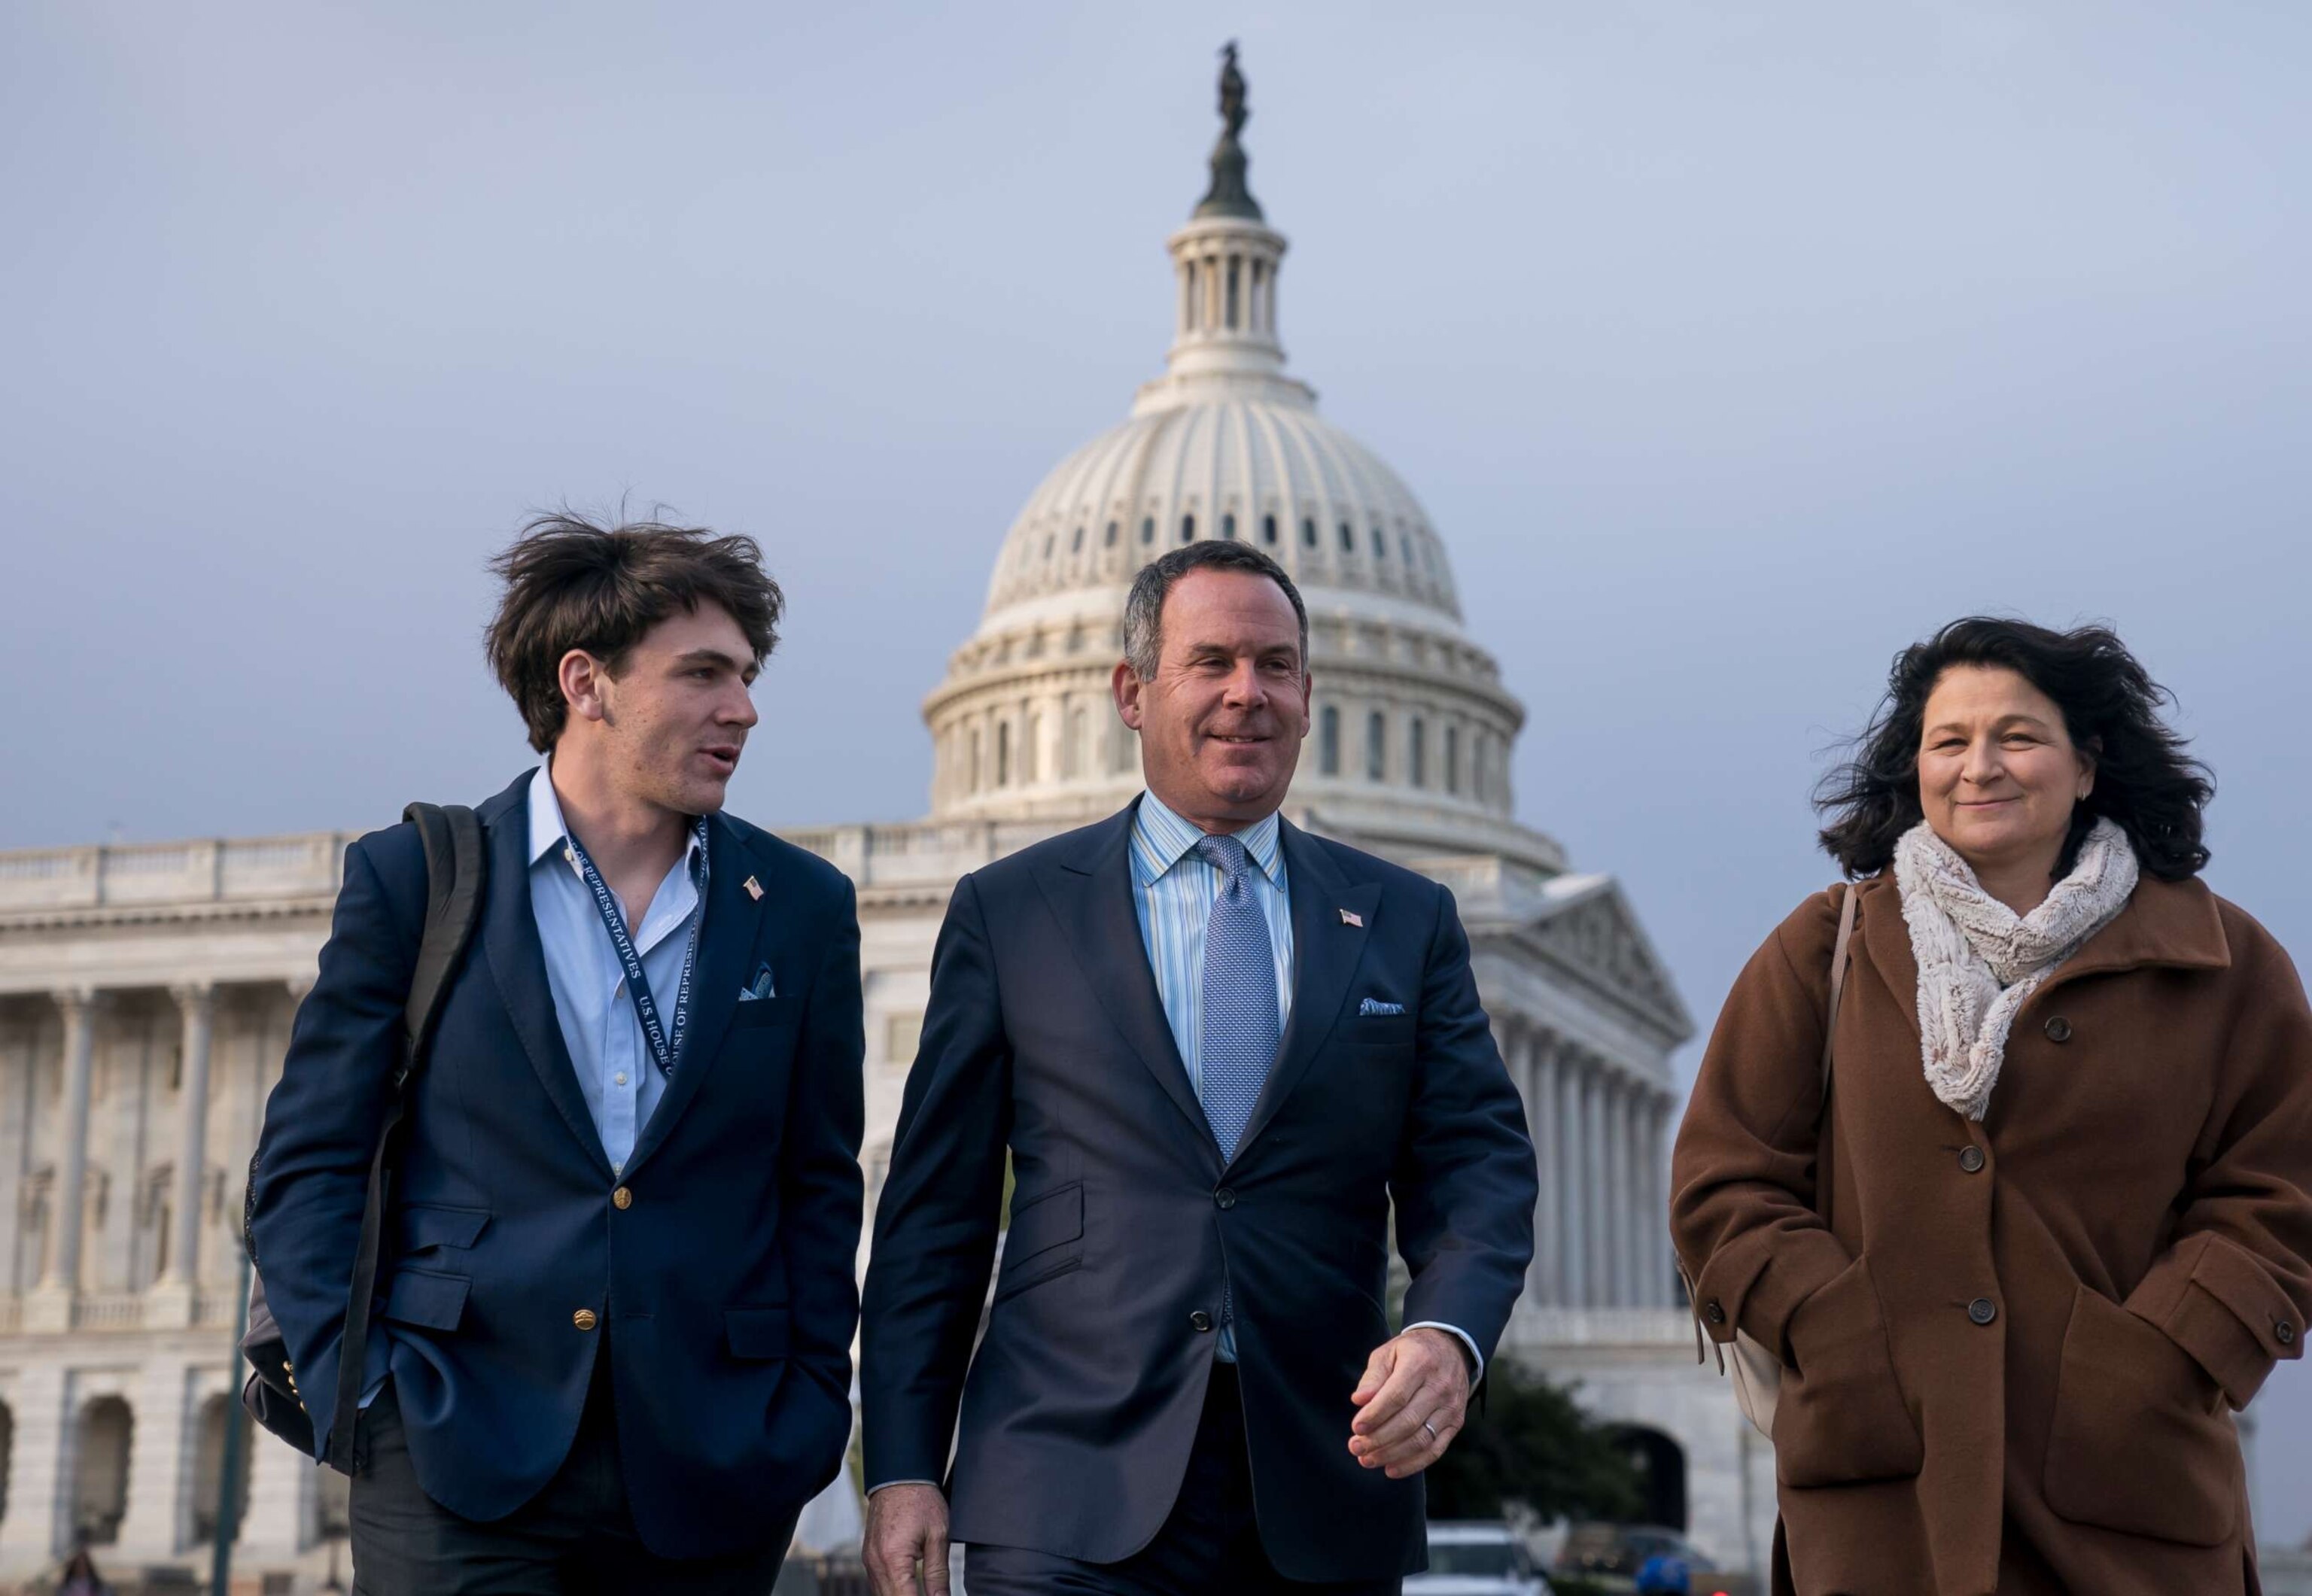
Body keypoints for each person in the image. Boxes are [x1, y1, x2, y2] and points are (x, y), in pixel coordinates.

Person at [859, 542, 1539, 1596]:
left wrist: (1448, 1334)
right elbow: (934, 1219)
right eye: (1211, 660)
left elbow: (1479, 1169)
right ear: (1132, 692)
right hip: (1063, 1486)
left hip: (1323, 1470)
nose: (1247, 694)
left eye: (1275, 665)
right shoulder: (1012, 913)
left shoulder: (1405, 920)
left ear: (1312, 697)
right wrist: (902, 1463)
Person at [249, 514, 865, 1594]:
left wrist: (810, 1406)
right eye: (705, 674)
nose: (745, 708)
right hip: (453, 1448)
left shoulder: (803, 906)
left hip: (713, 1465)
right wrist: (365, 1395)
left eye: (749, 675)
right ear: (586, 682)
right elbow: (306, 1166)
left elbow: (817, 1183)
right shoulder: (418, 880)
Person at [1670, 618, 2312, 1596]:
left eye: (2017, 735)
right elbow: (1725, 1179)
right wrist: (1837, 1329)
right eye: (1949, 740)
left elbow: (2281, 1190)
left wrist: (2160, 1359)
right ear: (1914, 766)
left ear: (2087, 764)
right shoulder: (1822, 947)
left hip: (2131, 1497)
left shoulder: (2226, 962)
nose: (1981, 766)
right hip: (1887, 1494)